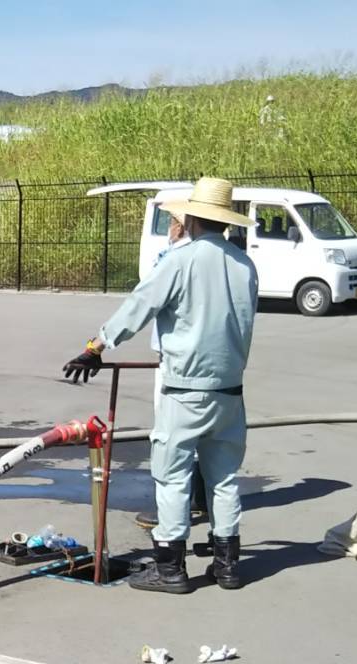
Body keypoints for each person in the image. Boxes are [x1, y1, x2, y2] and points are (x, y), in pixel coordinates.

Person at [62, 177, 258, 593]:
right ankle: (227, 567)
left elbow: (141, 305)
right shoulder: (244, 265)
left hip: (185, 387)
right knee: (222, 479)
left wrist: (95, 346)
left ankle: (170, 568)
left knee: (172, 477)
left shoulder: (180, 260)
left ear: (191, 217)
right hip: (229, 389)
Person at [133, 213, 209, 531]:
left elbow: (146, 298)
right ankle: (203, 500)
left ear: (182, 225)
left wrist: (98, 343)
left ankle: (174, 519)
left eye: (171, 221)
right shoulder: (228, 258)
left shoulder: (176, 257)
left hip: (177, 358)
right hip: (211, 360)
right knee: (208, 434)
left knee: (170, 434)